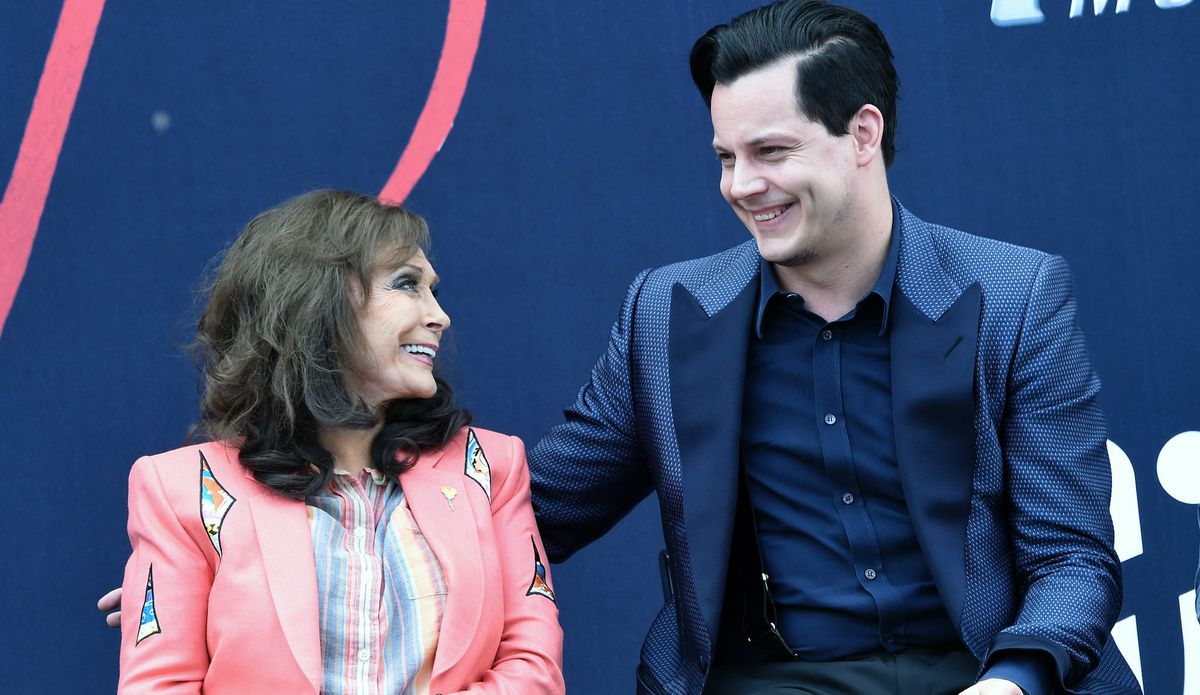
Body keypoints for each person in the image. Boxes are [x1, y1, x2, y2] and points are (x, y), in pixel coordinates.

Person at [524, 2, 1139, 694]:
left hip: (981, 672)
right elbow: (533, 511)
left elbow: (1071, 557)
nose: (741, 185)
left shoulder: (1015, 297)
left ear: (862, 133)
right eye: (726, 157)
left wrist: (1012, 681)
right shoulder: (665, 315)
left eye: (772, 152)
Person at [113, 190, 564, 693]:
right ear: (316, 302)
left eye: (433, 290)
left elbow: (533, 671)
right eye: (407, 285)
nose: (440, 316)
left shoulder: (490, 467)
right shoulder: (180, 489)